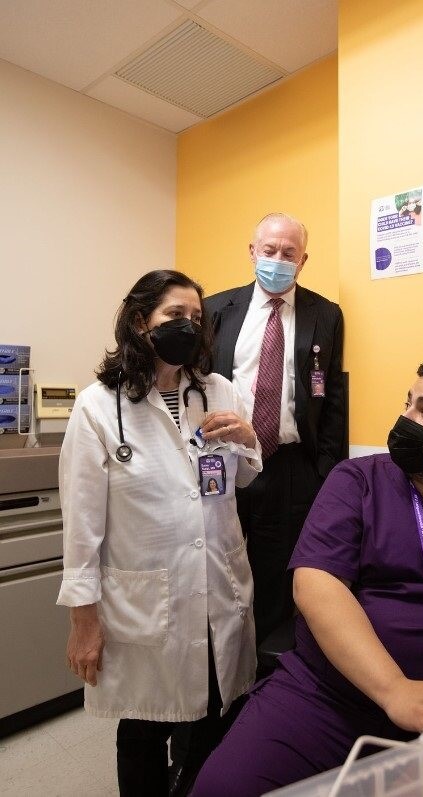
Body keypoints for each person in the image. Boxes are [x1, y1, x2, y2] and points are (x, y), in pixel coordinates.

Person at [191, 360, 423, 797]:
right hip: (330, 697)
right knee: (223, 787)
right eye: (407, 404)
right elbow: (315, 584)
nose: (405, 420)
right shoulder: (358, 481)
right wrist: (394, 690)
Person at [56, 269, 262, 796]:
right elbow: (81, 528)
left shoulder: (219, 391)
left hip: (217, 585)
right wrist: (84, 623)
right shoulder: (98, 407)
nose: (187, 326)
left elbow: (241, 473)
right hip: (146, 599)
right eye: (174, 316)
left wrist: (248, 439)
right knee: (146, 726)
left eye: (196, 318)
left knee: (214, 722)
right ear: (139, 320)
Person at [169, 212, 346, 795]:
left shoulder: (325, 314)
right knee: (212, 571)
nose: (278, 257)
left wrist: (329, 477)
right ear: (251, 250)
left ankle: (258, 713)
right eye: (269, 247)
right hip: (219, 460)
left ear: (302, 260)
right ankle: (201, 709)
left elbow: (331, 395)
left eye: (289, 251)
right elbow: (188, 383)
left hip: (292, 468)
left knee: (275, 585)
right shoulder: (215, 308)